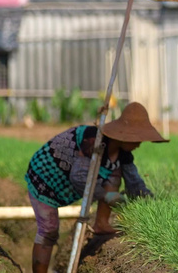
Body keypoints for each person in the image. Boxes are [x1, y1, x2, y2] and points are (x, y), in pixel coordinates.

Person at [25, 101, 169, 273]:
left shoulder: (124, 156)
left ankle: (101, 223)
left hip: (71, 181)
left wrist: (155, 206)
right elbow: (79, 177)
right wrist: (106, 196)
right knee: (49, 231)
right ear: (125, 135)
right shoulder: (93, 140)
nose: (140, 144)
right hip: (45, 177)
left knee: (115, 173)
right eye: (137, 139)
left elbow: (135, 185)